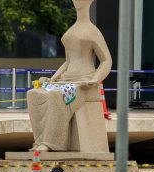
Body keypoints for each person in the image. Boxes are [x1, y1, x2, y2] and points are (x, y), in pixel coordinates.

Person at [26, 0, 112, 152]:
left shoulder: (93, 31)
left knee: (55, 95)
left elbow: (106, 60)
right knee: (33, 94)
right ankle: (40, 140)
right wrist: (53, 78)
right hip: (65, 81)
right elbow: (67, 62)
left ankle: (51, 143)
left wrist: (94, 80)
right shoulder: (71, 31)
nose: (77, 2)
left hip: (84, 83)